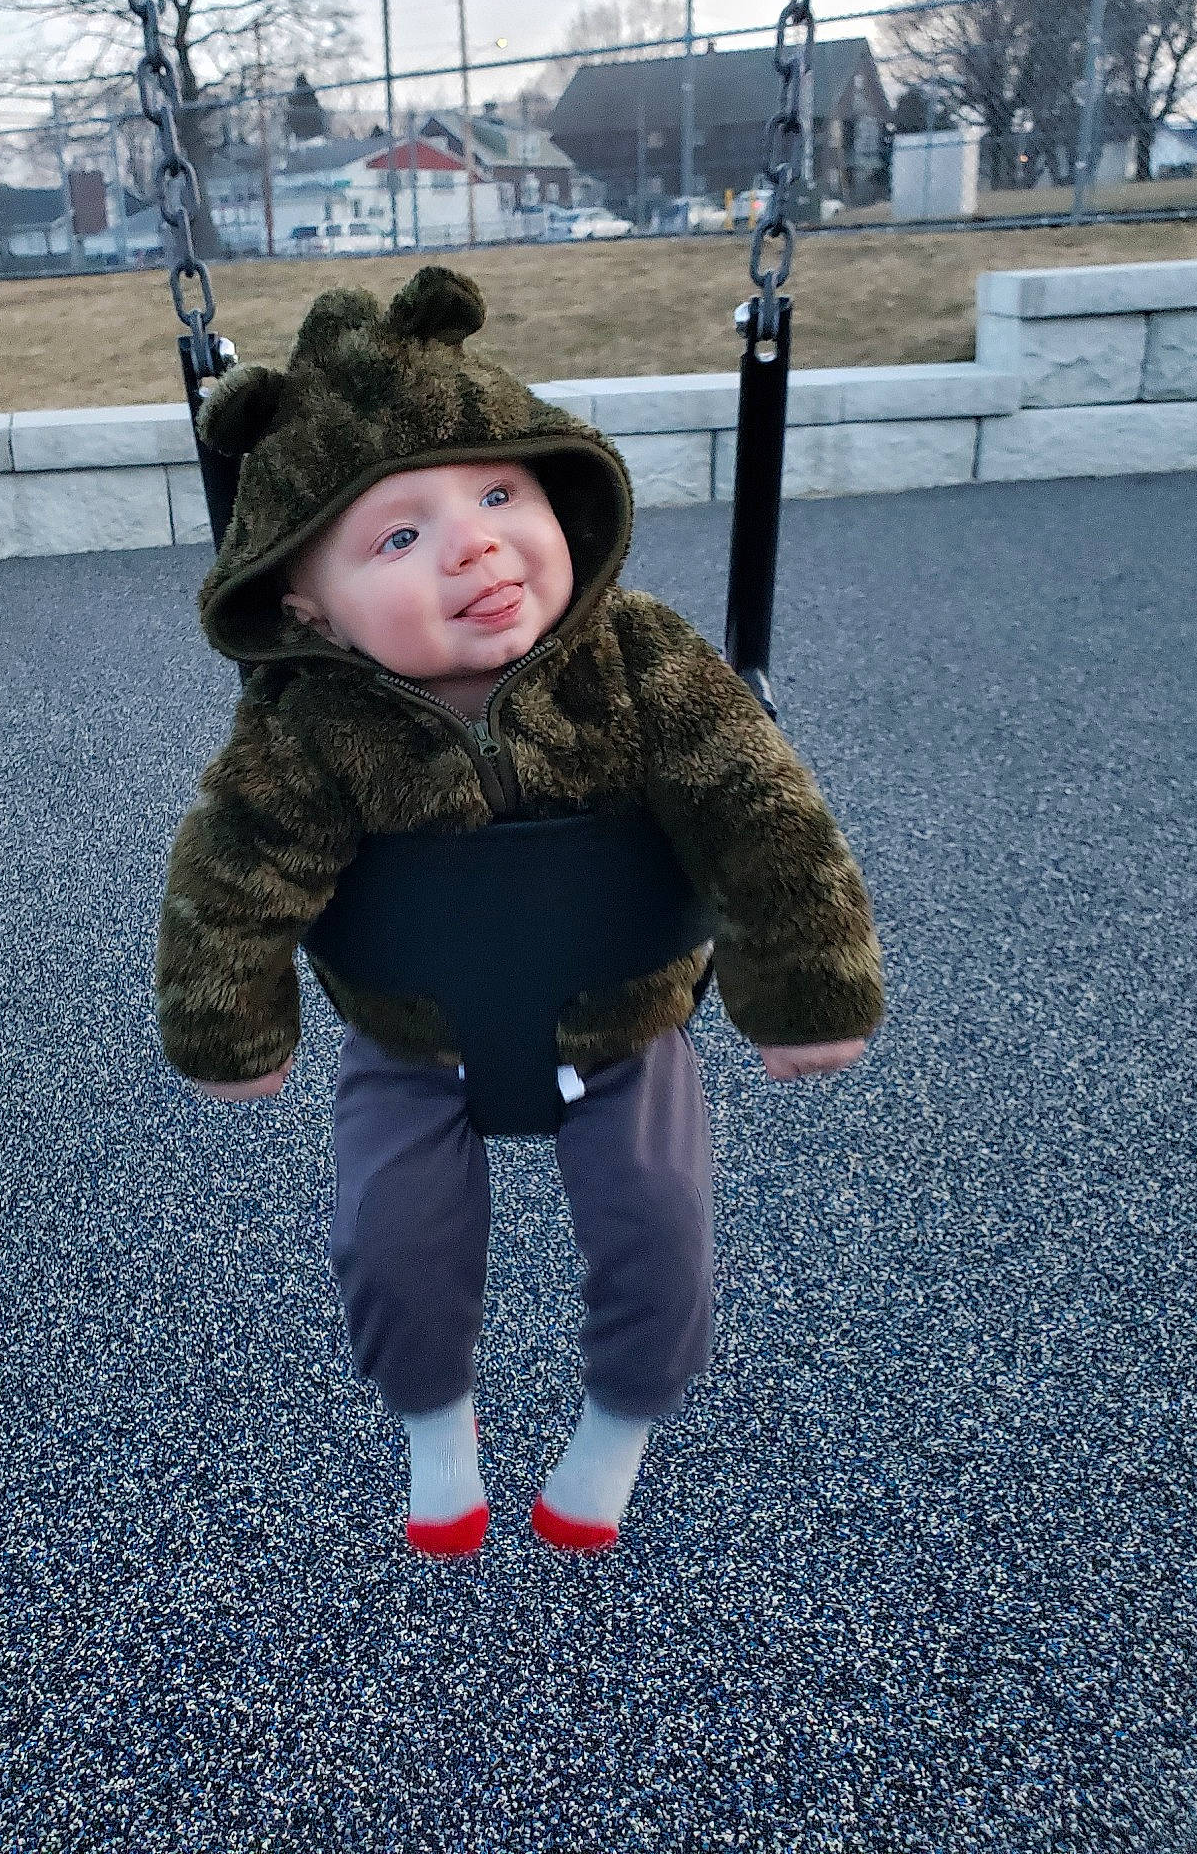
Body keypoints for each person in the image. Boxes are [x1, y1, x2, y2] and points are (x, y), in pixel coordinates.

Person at [155, 266, 884, 1558]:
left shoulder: (641, 659)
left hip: (622, 1022)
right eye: (400, 535)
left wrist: (808, 979)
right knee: (390, 1249)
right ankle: (436, 1428)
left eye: (499, 493)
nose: (477, 542)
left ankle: (618, 1427)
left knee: (662, 1238)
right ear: (302, 603)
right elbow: (235, 870)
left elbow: (761, 810)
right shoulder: (307, 727)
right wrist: (231, 1023)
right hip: (412, 1034)